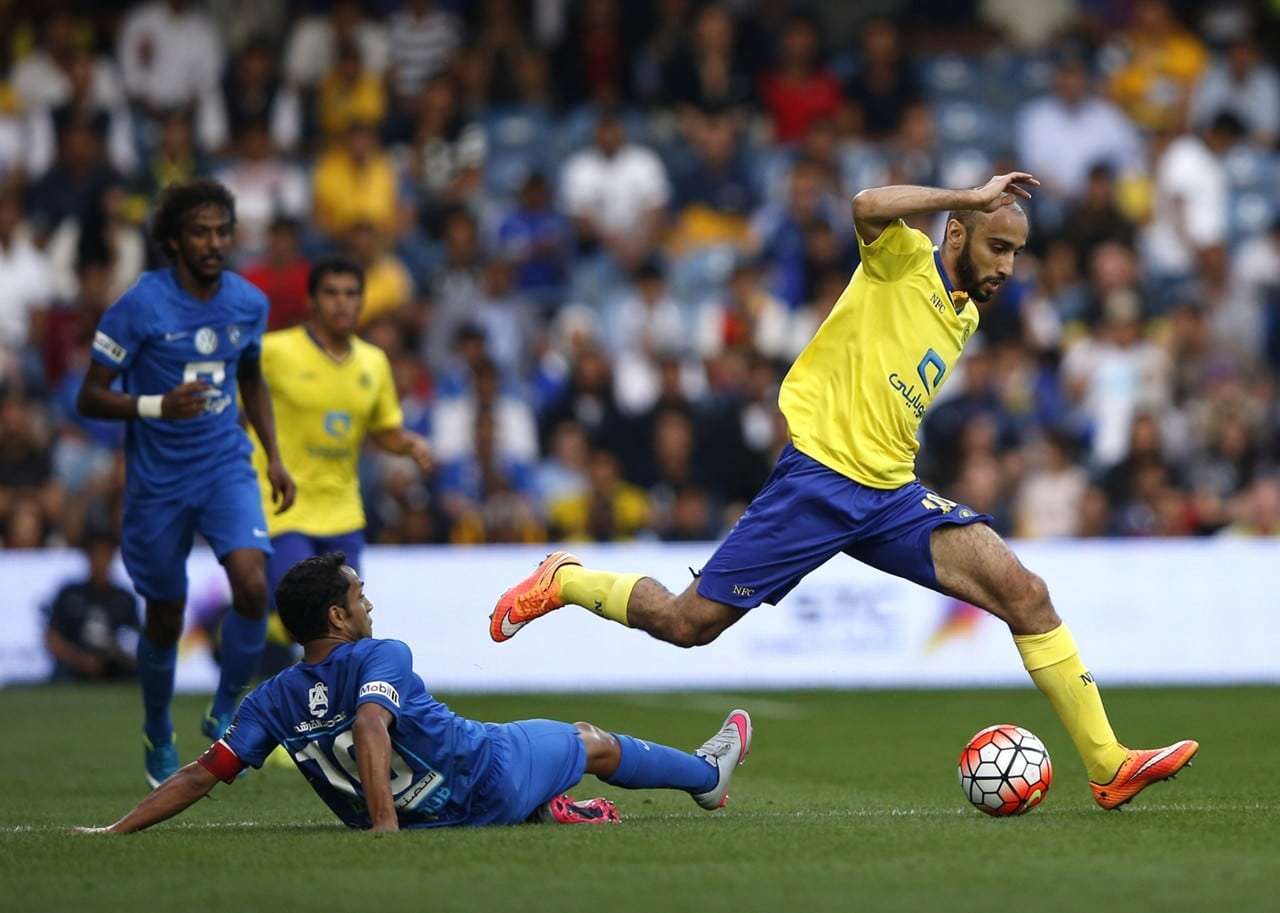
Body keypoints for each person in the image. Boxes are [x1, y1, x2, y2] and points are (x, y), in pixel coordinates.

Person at [491, 173, 1198, 811]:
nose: (1008, 267)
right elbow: (864, 204)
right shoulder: (905, 258)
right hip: (819, 481)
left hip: (889, 494)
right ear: (958, 231)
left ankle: (1108, 764)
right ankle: (568, 578)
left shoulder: (965, 313)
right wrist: (965, 194)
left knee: (1026, 592)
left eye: (1015, 252)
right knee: (687, 624)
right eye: (999, 246)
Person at [75, 552, 752, 833]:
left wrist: (117, 827)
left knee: (546, 753)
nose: (368, 605)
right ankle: (706, 775)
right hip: (489, 773)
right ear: (337, 618)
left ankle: (555, 807)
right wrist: (386, 830)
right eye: (359, 597)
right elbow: (372, 725)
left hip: (435, 813)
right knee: (590, 740)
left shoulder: (269, 700)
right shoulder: (381, 653)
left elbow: (202, 772)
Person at [76, 178, 296, 787]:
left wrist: (273, 455)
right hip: (158, 483)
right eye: (201, 231)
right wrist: (155, 406)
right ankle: (157, 728)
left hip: (225, 463)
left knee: (253, 583)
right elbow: (89, 396)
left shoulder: (248, 303)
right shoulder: (139, 305)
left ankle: (228, 708)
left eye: (223, 231)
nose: (214, 242)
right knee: (166, 615)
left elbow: (250, 376)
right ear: (173, 240)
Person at [251, 256, 431, 617]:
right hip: (285, 507)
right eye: (331, 293)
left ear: (362, 301)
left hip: (343, 511)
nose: (342, 302)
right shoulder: (274, 352)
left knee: (345, 618)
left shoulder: (373, 362)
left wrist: (410, 444)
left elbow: (382, 431)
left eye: (351, 293)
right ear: (312, 301)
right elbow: (239, 406)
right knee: (307, 614)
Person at [44, 531, 139, 682]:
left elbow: (135, 640)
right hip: (74, 665)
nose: (100, 561)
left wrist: (117, 655)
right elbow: (52, 638)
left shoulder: (124, 598)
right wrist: (80, 660)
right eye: (96, 555)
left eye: (104, 555)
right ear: (88, 557)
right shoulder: (69, 594)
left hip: (114, 666)